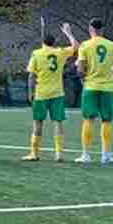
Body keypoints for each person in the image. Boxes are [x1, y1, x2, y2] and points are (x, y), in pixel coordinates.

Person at [69, 18, 113, 165]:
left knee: (88, 119)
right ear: (103, 29)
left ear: (90, 29)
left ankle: (86, 154)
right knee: (107, 121)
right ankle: (106, 155)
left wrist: (85, 77)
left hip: (90, 87)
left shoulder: (85, 46)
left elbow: (80, 70)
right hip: (107, 88)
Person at [23, 28, 75, 161]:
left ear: (43, 42)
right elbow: (76, 47)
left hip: (41, 94)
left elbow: (31, 76)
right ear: (54, 43)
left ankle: (34, 153)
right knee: (58, 123)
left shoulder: (36, 54)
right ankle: (58, 154)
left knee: (38, 123)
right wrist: (68, 33)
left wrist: (30, 92)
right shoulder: (60, 52)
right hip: (57, 93)